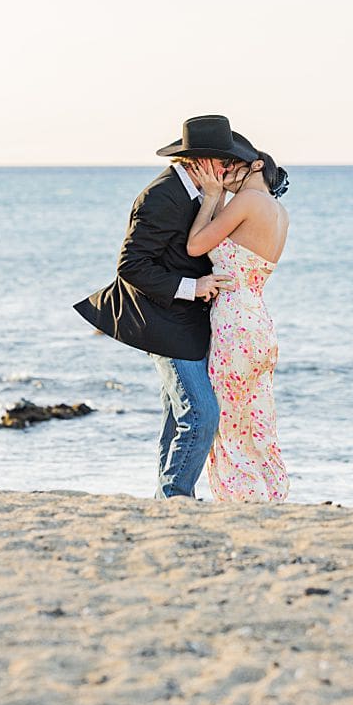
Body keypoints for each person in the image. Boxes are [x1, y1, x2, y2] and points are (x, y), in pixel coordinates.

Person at [73, 115, 254, 498]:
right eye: (225, 163)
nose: (229, 171)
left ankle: (165, 500)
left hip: (188, 321)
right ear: (200, 163)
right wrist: (195, 286)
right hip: (162, 320)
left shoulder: (204, 193)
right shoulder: (161, 196)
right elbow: (131, 266)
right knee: (202, 414)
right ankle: (176, 497)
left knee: (178, 417)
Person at [184, 149, 290, 501]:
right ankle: (270, 496)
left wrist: (213, 195)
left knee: (229, 424)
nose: (225, 171)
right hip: (259, 323)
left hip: (235, 325)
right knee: (257, 422)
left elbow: (196, 245)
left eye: (233, 166)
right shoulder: (278, 212)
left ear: (256, 166)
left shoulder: (247, 200)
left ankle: (241, 502)